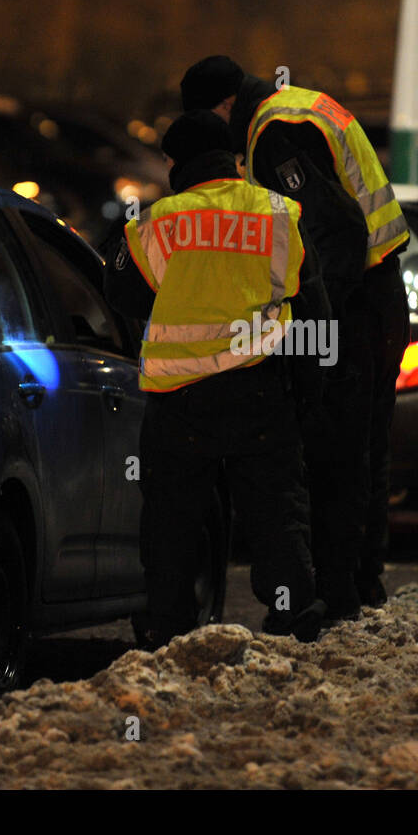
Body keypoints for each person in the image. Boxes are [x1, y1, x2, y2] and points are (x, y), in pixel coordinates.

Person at [180, 56, 410, 618]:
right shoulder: (301, 105)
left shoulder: (274, 133)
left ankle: (337, 597)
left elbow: (337, 230)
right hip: (381, 293)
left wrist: (314, 315)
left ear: (226, 105)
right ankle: (362, 584)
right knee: (364, 449)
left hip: (352, 306)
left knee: (333, 451)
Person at [104, 110, 327, 647]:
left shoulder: (160, 219)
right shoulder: (279, 213)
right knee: (276, 515)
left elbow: (121, 293)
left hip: (180, 401)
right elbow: (314, 305)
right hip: (260, 392)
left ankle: (169, 631)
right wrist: (308, 390)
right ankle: (293, 620)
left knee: (172, 523)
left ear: (178, 163)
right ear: (233, 160)